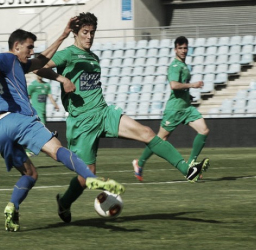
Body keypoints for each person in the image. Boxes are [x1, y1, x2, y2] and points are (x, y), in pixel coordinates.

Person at [35, 12, 209, 224]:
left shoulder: (93, 57)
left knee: (147, 132)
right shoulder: (68, 54)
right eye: (84, 32)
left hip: (104, 112)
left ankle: (187, 170)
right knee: (85, 177)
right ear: (75, 33)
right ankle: (64, 203)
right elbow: (36, 67)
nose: (89, 37)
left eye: (92, 32)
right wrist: (62, 77)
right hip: (82, 122)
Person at [0, 17, 124, 232]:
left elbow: (41, 60)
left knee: (30, 174)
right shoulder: (9, 59)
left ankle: (12, 207)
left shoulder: (20, 64)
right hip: (19, 120)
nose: (31, 51)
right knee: (58, 150)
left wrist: (64, 34)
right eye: (28, 47)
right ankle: (91, 178)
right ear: (16, 46)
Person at [133, 36, 210, 181]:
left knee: (204, 130)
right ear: (175, 49)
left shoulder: (184, 65)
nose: (183, 51)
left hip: (186, 108)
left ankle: (191, 163)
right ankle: (139, 163)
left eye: (185, 48)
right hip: (174, 110)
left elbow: (181, 87)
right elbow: (174, 85)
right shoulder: (174, 66)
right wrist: (192, 85)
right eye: (180, 48)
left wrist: (189, 95)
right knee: (159, 139)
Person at [26, 75, 59, 156]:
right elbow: (27, 97)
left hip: (43, 113)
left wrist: (55, 105)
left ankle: (32, 149)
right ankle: (51, 145)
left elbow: (50, 96)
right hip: (36, 113)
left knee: (38, 132)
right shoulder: (33, 85)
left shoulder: (47, 85)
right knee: (43, 130)